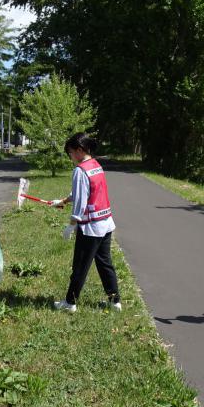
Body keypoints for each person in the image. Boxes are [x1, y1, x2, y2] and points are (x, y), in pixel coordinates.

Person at [50, 132, 121, 313]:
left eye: (71, 153)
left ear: (80, 150)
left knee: (80, 266)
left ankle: (70, 303)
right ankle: (115, 302)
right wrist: (64, 201)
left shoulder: (80, 170)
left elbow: (81, 202)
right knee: (105, 263)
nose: (70, 157)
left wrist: (72, 224)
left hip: (90, 227)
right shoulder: (95, 165)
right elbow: (82, 193)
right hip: (105, 222)